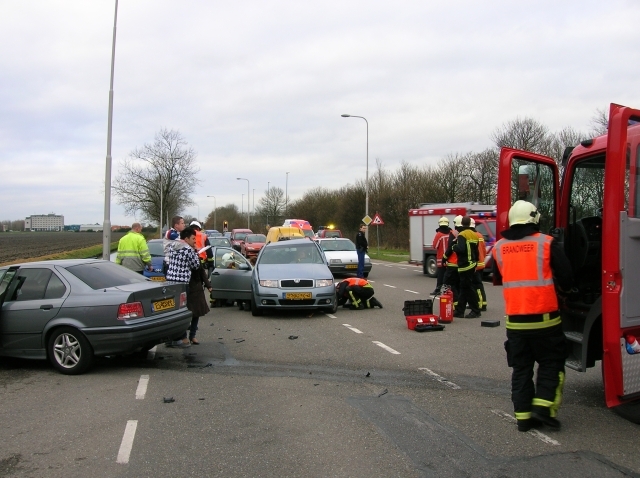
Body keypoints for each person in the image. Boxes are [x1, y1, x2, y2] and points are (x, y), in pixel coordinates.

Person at [492, 200, 573, 432]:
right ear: (534, 219)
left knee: (521, 369)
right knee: (551, 363)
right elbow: (566, 276)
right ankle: (543, 408)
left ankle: (524, 417)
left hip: (516, 323)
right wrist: (566, 292)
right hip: (546, 320)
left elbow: (498, 276)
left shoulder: (498, 247)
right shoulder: (547, 243)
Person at [165, 226, 202, 347]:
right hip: (182, 283)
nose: (194, 241)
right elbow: (196, 265)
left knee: (172, 310)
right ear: (186, 239)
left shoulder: (172, 245)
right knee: (183, 310)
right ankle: (182, 338)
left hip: (170, 281)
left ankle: (170, 338)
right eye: (192, 238)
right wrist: (195, 251)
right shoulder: (188, 249)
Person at [452, 216, 480, 319]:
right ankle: (460, 310)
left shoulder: (462, 235)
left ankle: (475, 310)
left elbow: (461, 249)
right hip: (472, 264)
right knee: (464, 288)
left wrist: (453, 247)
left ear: (461, 223)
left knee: (468, 288)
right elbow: (477, 252)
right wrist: (476, 262)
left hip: (465, 265)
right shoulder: (474, 235)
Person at [442, 215, 462, 306]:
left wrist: (444, 257)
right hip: (462, 265)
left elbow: (450, 248)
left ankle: (454, 305)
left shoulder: (454, 233)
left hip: (453, 264)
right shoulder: (466, 234)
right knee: (459, 286)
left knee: (449, 284)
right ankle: (459, 305)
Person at [470, 218, 488, 311]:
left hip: (476, 265)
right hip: (481, 263)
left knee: (477, 285)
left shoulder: (472, 236)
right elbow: (484, 250)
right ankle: (478, 302)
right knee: (476, 285)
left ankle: (481, 304)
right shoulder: (480, 235)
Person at [431, 217, 452, 295]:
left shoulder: (439, 234)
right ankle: (448, 290)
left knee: (441, 275)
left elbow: (435, 246)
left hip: (441, 258)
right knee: (449, 276)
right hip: (450, 259)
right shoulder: (451, 232)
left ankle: (438, 289)